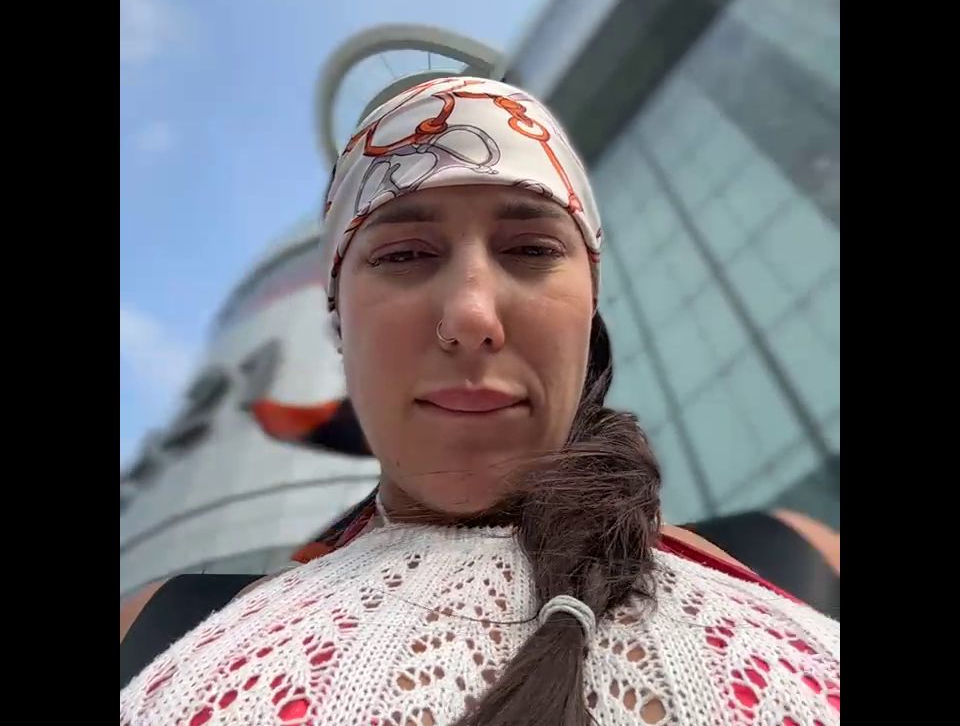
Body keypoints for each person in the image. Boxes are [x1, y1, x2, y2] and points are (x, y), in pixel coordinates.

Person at [120, 77, 840, 725]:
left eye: (531, 250)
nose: (470, 316)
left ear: (588, 309)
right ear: (341, 324)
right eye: (404, 255)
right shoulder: (157, 629)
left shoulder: (799, 562)